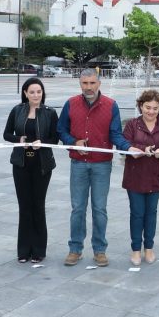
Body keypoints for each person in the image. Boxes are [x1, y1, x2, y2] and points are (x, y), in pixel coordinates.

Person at [58, 68, 140, 267]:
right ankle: (75, 249)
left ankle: (99, 250)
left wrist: (128, 148)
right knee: (77, 208)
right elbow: (61, 129)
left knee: (99, 208)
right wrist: (73, 142)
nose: (88, 87)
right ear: (80, 84)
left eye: (92, 83)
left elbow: (115, 134)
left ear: (99, 83)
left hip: (101, 165)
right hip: (78, 164)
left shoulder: (111, 106)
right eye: (85, 83)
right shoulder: (70, 104)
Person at [2, 77, 59, 263]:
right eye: (32, 92)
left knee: (38, 205)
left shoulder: (50, 113)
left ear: (43, 93)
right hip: (21, 164)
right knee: (24, 206)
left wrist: (42, 143)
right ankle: (24, 250)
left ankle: (39, 250)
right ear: (25, 93)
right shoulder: (17, 110)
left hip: (42, 165)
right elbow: (6, 134)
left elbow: (55, 139)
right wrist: (19, 140)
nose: (36, 95)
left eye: (39, 92)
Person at [122, 90, 159, 266]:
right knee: (137, 213)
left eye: (155, 108)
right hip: (135, 175)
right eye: (147, 107)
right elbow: (125, 144)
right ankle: (136, 250)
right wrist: (140, 149)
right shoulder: (132, 124)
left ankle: (149, 248)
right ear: (141, 106)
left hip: (156, 175)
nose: (151, 111)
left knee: (151, 213)